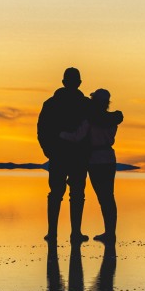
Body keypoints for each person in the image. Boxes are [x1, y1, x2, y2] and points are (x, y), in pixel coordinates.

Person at [60, 89, 123, 243]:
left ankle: (108, 234)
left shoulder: (90, 119)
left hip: (95, 160)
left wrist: (61, 134)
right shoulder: (113, 119)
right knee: (108, 197)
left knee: (103, 196)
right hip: (109, 159)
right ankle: (110, 233)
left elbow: (77, 137)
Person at [37, 67, 90, 243]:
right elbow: (42, 130)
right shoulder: (83, 105)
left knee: (61, 193)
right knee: (71, 194)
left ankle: (58, 233)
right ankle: (70, 233)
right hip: (69, 156)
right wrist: (49, 151)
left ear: (64, 82)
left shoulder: (53, 104)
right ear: (78, 83)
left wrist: (49, 151)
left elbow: (42, 130)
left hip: (67, 156)